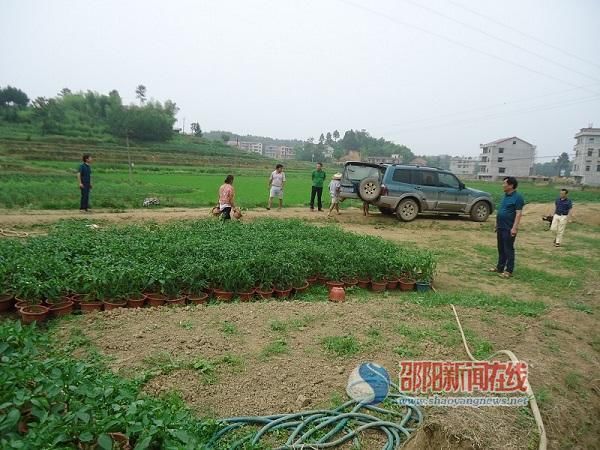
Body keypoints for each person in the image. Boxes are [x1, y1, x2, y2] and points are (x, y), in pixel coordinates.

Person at [489, 176, 525, 278]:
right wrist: (496, 223)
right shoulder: (505, 195)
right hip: (501, 226)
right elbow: (501, 210)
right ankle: (500, 267)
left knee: (508, 249)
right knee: (501, 248)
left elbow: (518, 214)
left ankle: (509, 270)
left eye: (505, 183)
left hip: (509, 227)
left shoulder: (518, 197)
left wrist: (514, 228)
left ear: (511, 185)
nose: (503, 185)